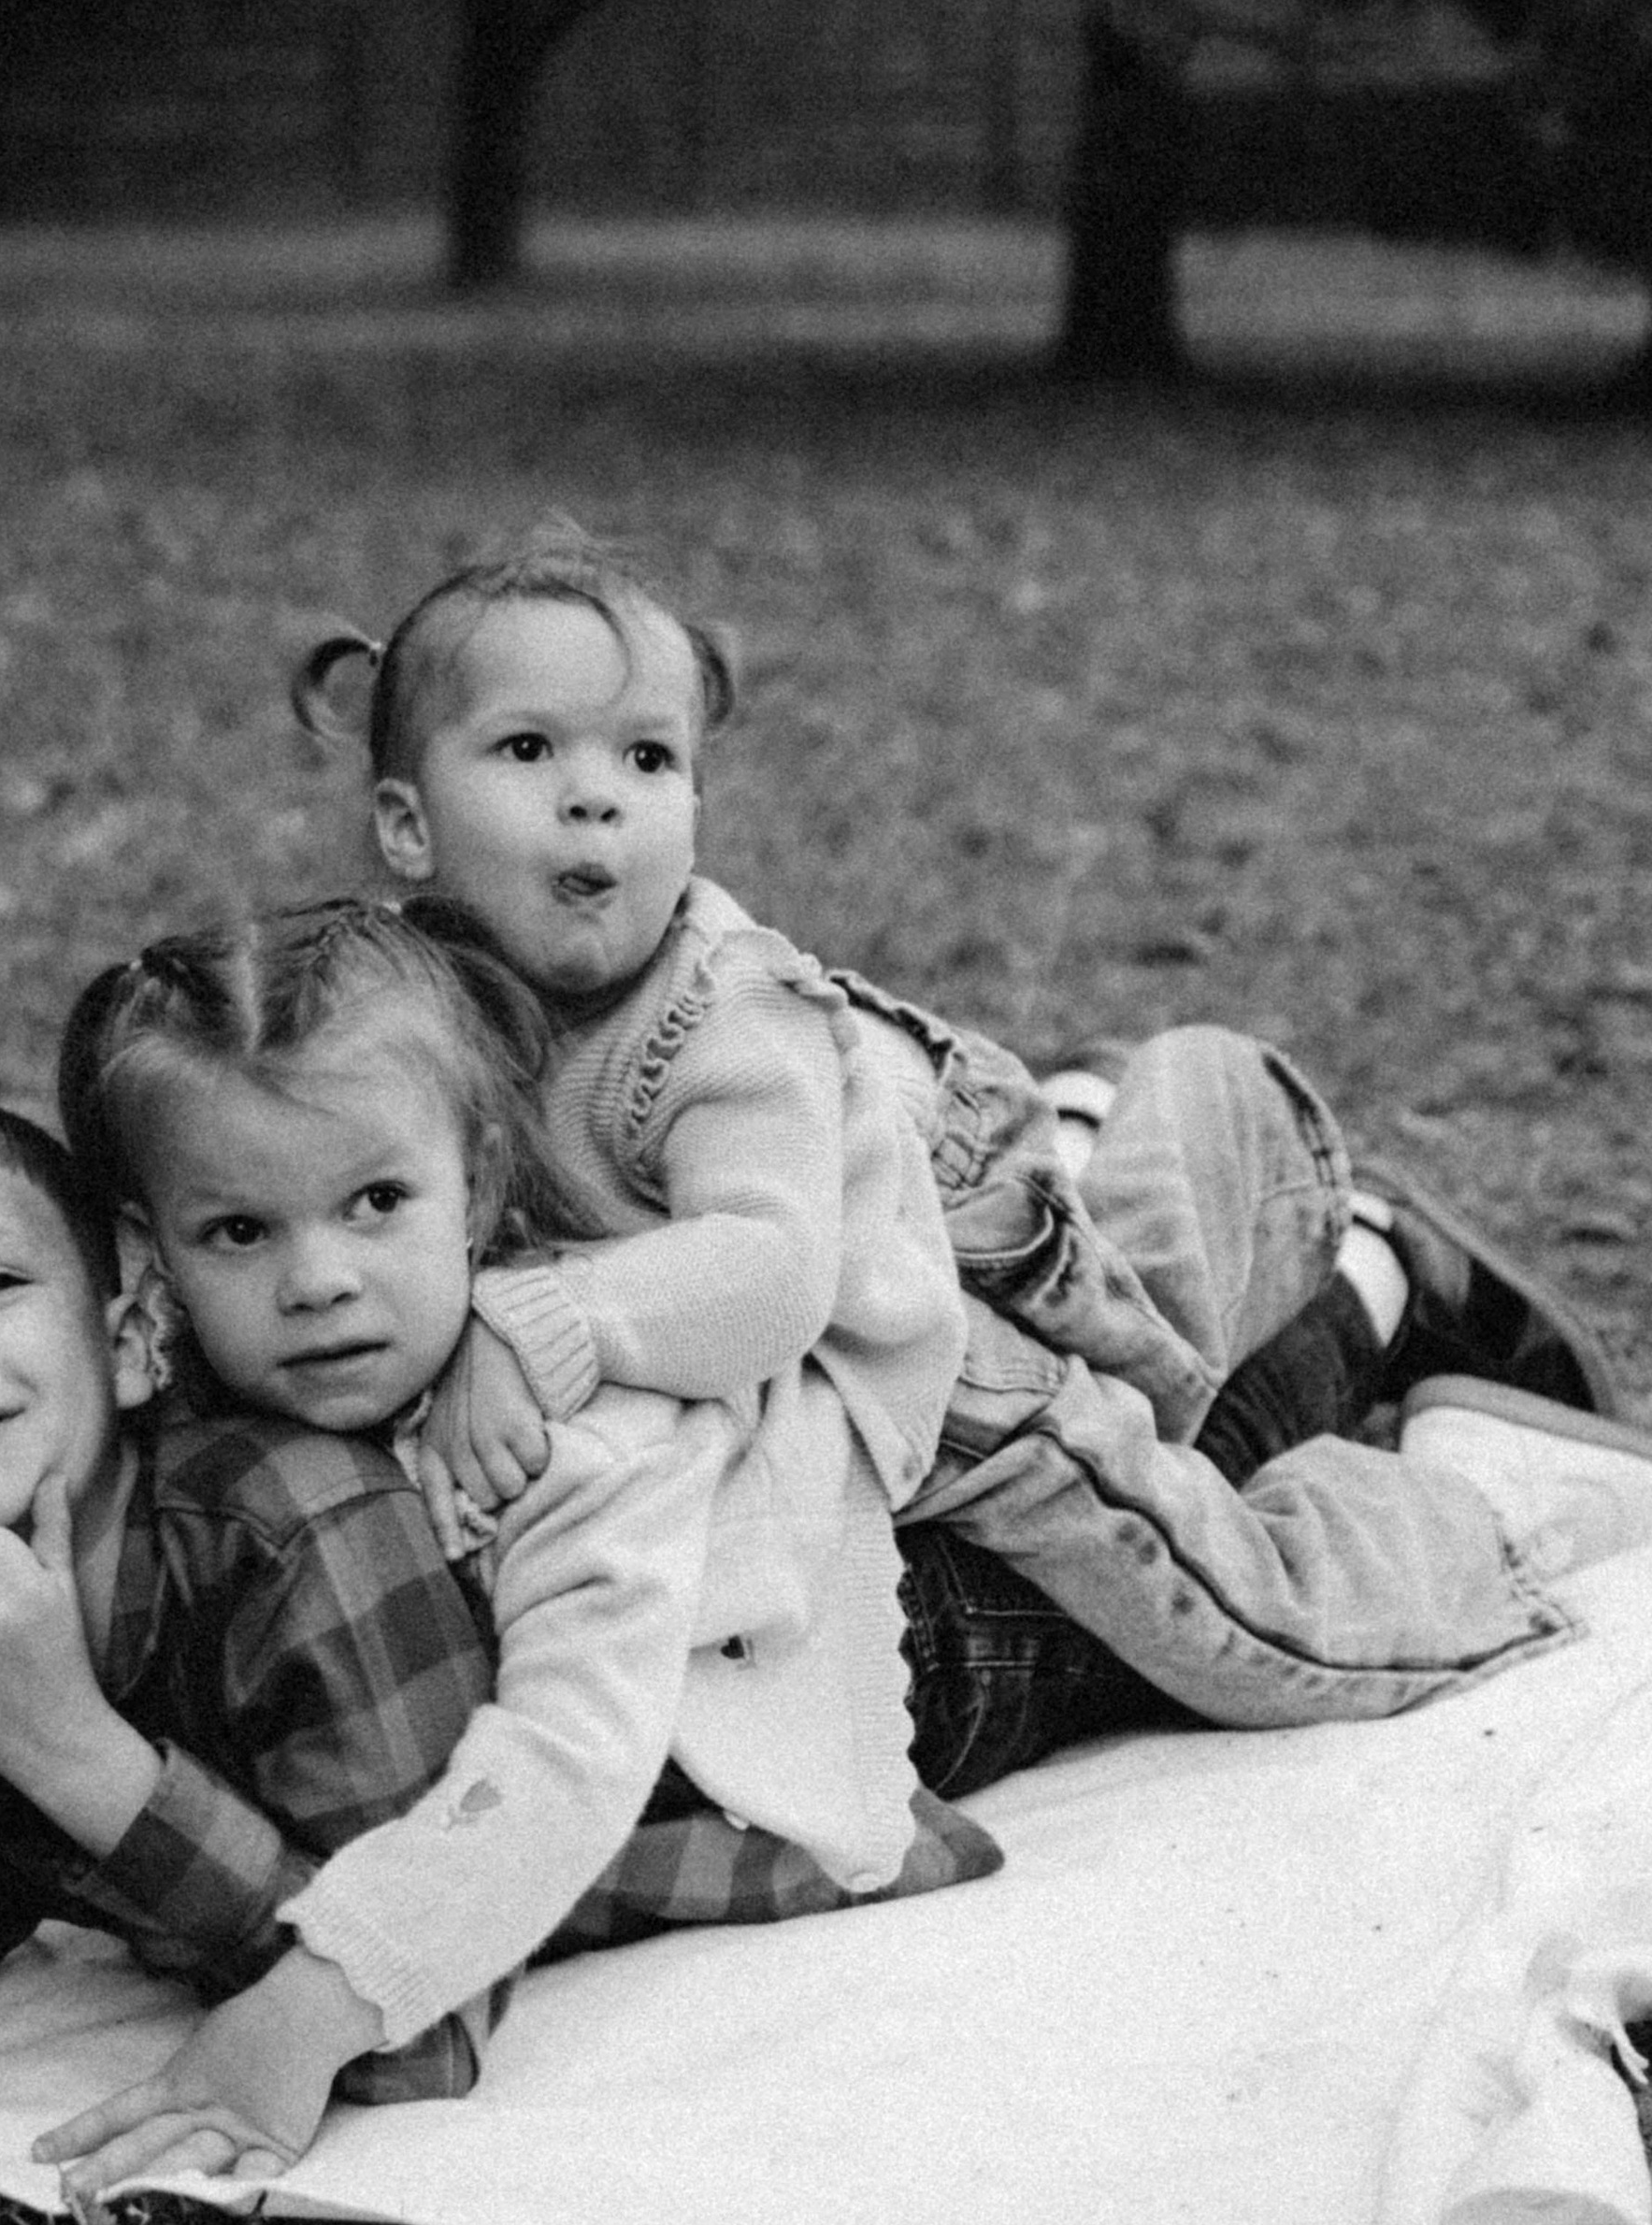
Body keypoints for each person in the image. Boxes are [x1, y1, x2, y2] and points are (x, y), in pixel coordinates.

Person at [0, 911, 991, 2160]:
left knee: (1047, 1383)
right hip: (589, 1663)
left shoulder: (325, 1505)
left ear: (127, 1333)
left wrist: (71, 1753)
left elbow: (422, 2009)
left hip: (847, 1637)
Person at [291, 524, 1646, 1731]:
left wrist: (531, 1327)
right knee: (1149, 1312)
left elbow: (771, 1269)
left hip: (953, 1344)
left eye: (647, 758)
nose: (597, 795)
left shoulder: (719, 1019)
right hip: (897, 1202)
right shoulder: (391, 1006)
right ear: (406, 828)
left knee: (1208, 1551)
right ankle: (1134, 1118)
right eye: (528, 749)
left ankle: (1453, 1452)